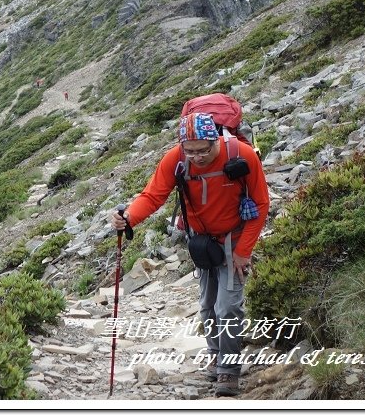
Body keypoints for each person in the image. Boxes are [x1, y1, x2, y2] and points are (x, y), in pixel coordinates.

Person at [110, 112, 269, 397]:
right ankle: (215, 355)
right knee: (208, 306)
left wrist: (244, 252)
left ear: (215, 139)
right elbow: (153, 196)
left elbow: (261, 203)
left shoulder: (242, 154)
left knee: (228, 307)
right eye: (189, 150)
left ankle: (229, 371)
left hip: (234, 239)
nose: (196, 157)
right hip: (200, 242)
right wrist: (129, 217)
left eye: (202, 150)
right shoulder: (176, 160)